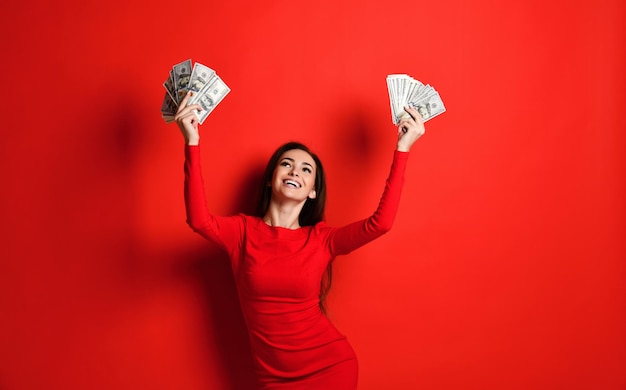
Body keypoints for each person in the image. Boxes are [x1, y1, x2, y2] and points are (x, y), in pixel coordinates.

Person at [174, 91, 425, 389]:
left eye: (307, 170)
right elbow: (199, 220)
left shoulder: (322, 240)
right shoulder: (241, 232)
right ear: (271, 178)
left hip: (329, 367)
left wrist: (403, 148)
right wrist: (192, 141)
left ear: (312, 191)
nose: (295, 171)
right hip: (274, 378)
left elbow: (380, 224)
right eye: (287, 164)